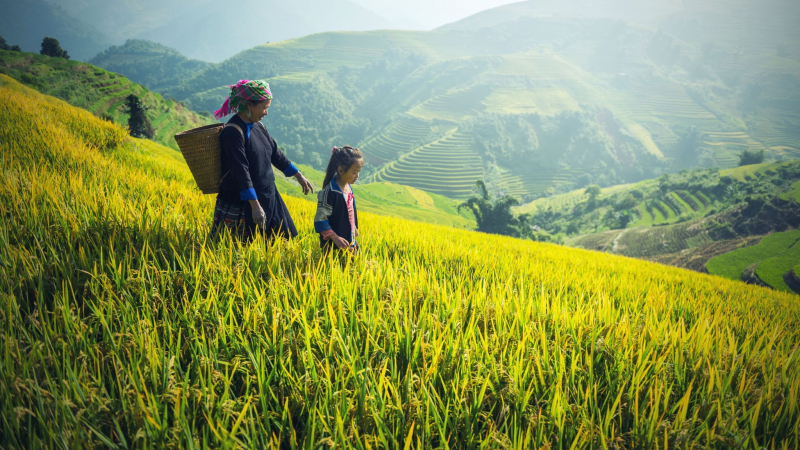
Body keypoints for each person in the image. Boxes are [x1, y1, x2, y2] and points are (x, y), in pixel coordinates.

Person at [209, 79, 314, 241]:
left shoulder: (259, 126)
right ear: (249, 105)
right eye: (264, 107)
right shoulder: (233, 132)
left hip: (268, 194)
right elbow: (240, 170)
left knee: (280, 241)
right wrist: (254, 205)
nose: (266, 112)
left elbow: (275, 154)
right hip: (244, 201)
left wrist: (298, 175)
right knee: (241, 246)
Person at [314, 146, 364, 252]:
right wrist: (335, 238)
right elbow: (320, 219)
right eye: (354, 172)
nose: (357, 176)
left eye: (359, 172)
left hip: (349, 240)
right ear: (340, 170)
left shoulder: (348, 187)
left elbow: (349, 211)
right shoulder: (330, 192)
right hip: (334, 246)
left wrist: (353, 228)